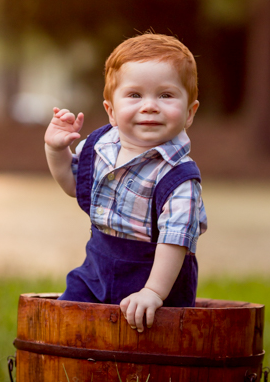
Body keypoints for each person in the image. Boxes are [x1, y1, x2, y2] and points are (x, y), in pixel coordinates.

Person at [44, 33, 207, 333]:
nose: (149, 106)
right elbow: (74, 186)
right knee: (68, 324)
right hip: (95, 273)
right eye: (135, 95)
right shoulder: (100, 147)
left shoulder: (179, 178)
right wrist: (56, 150)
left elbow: (176, 240)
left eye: (166, 95)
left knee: (153, 340)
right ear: (111, 110)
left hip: (157, 281)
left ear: (189, 113)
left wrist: (153, 292)